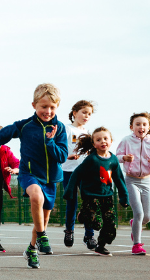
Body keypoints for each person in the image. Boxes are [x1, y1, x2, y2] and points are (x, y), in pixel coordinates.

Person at [0, 83, 68, 269]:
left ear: (57, 107)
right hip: (30, 174)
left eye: (52, 107)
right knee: (36, 196)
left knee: (41, 219)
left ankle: (32, 249)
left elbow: (62, 156)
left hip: (51, 179)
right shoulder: (24, 126)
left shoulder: (59, 128)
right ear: (34, 105)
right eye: (43, 106)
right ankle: (43, 236)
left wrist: (50, 142)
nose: (48, 111)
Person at [62, 127, 129, 256]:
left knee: (111, 225)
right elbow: (77, 173)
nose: (103, 141)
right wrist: (69, 191)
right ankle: (85, 214)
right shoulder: (91, 159)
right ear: (94, 144)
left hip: (107, 196)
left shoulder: (114, 160)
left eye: (105, 139)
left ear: (111, 141)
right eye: (98, 140)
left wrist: (124, 197)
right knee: (97, 223)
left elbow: (119, 179)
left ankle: (100, 246)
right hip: (91, 196)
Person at [116, 112, 150, 256]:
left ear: (148, 127)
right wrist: (124, 158)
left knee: (147, 217)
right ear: (132, 127)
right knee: (138, 212)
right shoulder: (126, 140)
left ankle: (134, 224)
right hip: (131, 180)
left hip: (146, 181)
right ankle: (136, 245)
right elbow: (116, 157)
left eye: (144, 124)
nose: (141, 127)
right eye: (137, 124)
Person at [62, 100, 95, 249]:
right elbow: (59, 148)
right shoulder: (67, 129)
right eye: (84, 112)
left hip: (85, 172)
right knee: (72, 202)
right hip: (68, 171)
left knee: (88, 203)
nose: (86, 116)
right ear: (75, 113)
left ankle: (89, 235)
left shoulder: (88, 133)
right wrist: (68, 156)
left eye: (89, 114)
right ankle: (69, 230)